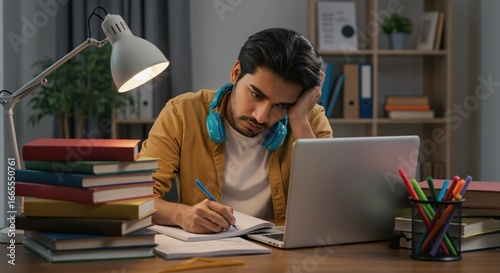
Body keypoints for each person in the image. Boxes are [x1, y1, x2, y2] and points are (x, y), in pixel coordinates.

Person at [139, 27, 333, 234]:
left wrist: (299, 120)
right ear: (236, 73)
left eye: (281, 105)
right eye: (256, 95)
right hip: (208, 252)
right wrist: (181, 215)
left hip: (281, 256)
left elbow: (331, 204)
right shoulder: (182, 114)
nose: (261, 116)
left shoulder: (307, 119)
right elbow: (136, 198)